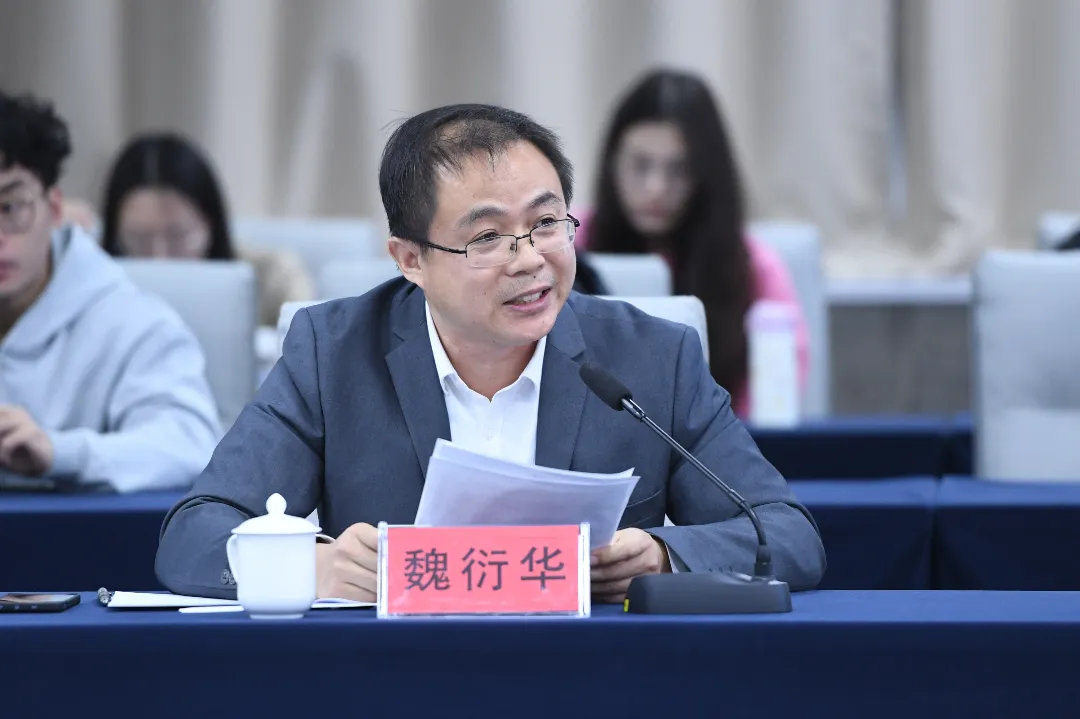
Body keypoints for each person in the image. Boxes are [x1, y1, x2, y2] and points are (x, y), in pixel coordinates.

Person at [155, 103, 825, 602]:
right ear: (410, 259)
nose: (529, 259)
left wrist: (662, 555)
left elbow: (788, 535)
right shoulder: (332, 355)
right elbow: (192, 535)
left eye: (546, 222)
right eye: (487, 237)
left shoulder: (652, 358)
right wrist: (313, 565)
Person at [0, 91, 221, 492]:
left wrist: (60, 452)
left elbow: (189, 442)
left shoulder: (131, 322)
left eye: (10, 207)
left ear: (54, 209)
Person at [578, 69, 810, 418]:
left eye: (678, 169)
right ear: (612, 163)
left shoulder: (754, 268)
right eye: (640, 165)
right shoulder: (569, 243)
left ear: (706, 176)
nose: (656, 187)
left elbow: (770, 412)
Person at [99, 133, 314, 327]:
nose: (160, 258)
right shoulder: (96, 283)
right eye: (139, 238)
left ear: (212, 226)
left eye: (178, 236)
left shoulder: (271, 276)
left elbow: (313, 347)